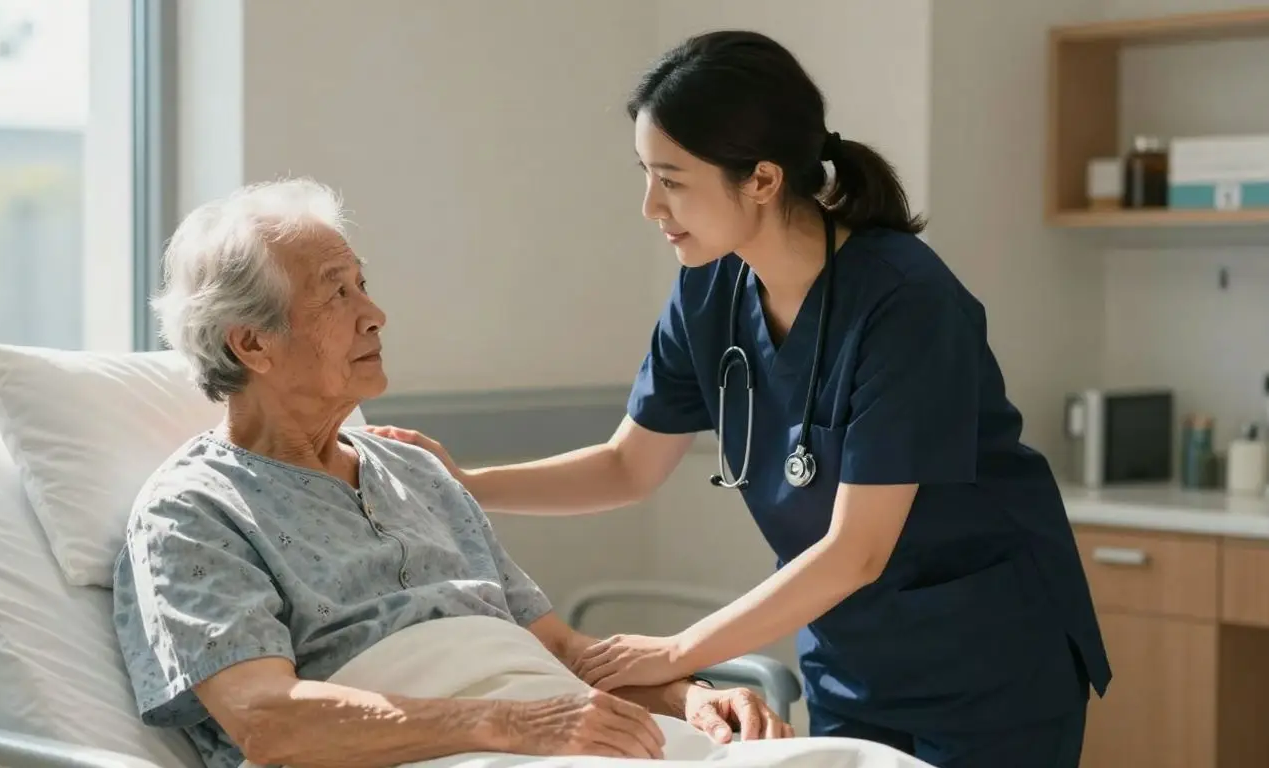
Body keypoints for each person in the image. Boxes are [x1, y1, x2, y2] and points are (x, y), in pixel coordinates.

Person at [365, 30, 1111, 768]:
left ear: (762, 179)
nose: (650, 206)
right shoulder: (708, 290)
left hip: (988, 660)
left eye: (672, 180)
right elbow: (629, 466)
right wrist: (463, 485)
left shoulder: (905, 301)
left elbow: (858, 549)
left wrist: (677, 653)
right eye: (645, 174)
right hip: (852, 658)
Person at [109, 178, 797, 768]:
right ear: (252, 343)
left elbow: (560, 652)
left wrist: (689, 696)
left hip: (548, 732)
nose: (375, 315)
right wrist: (514, 723)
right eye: (336, 294)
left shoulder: (417, 473)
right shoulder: (193, 510)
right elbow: (268, 720)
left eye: (362, 284)